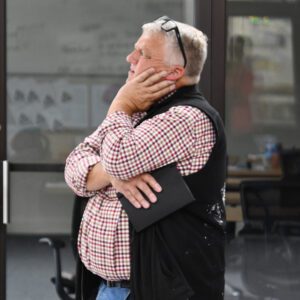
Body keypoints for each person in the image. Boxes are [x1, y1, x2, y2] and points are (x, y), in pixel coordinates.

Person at [65, 16, 227, 300]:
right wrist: (115, 175)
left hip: (160, 290)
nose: (130, 58)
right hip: (110, 288)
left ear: (174, 72)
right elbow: (75, 165)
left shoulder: (187, 118)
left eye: (143, 54)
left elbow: (117, 158)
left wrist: (120, 104)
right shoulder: (136, 114)